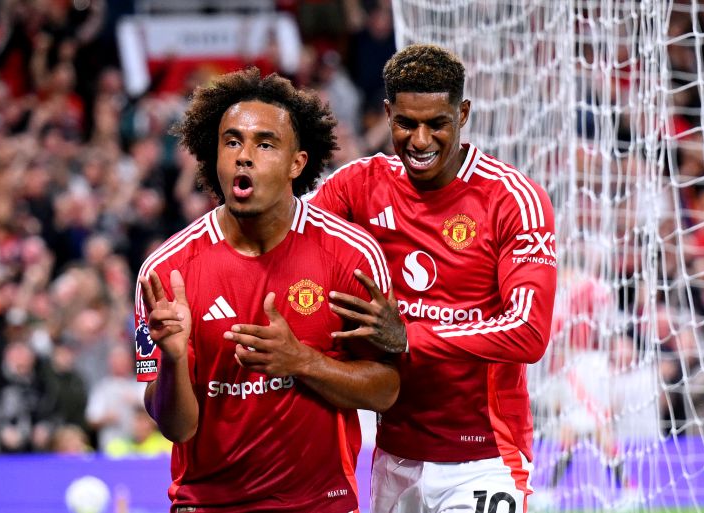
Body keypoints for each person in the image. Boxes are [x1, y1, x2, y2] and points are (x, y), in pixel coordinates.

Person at [134, 67, 402, 512]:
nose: (244, 156)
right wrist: (175, 360)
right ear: (213, 153)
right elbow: (178, 429)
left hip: (321, 505)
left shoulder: (351, 255)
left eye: (264, 144)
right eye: (232, 141)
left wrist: (302, 362)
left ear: (297, 163)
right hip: (207, 505)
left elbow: (386, 391)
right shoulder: (166, 270)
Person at [306, 44, 557, 513]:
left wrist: (409, 337)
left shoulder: (511, 199)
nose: (420, 141)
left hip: (484, 457)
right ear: (387, 114)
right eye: (406, 123)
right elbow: (293, 246)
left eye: (437, 123)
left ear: (462, 113)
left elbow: (529, 332)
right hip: (394, 454)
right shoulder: (358, 186)